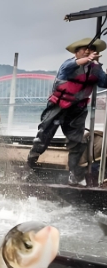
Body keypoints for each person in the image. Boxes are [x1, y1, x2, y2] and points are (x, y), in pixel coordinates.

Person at [27, 38, 107, 186]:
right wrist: (86, 59)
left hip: (77, 109)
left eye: (92, 49)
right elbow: (72, 65)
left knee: (76, 141)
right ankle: (30, 163)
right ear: (77, 52)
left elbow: (104, 82)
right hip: (58, 105)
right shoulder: (68, 64)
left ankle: (74, 175)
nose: (89, 51)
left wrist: (97, 65)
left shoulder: (96, 68)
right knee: (45, 134)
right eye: (85, 49)